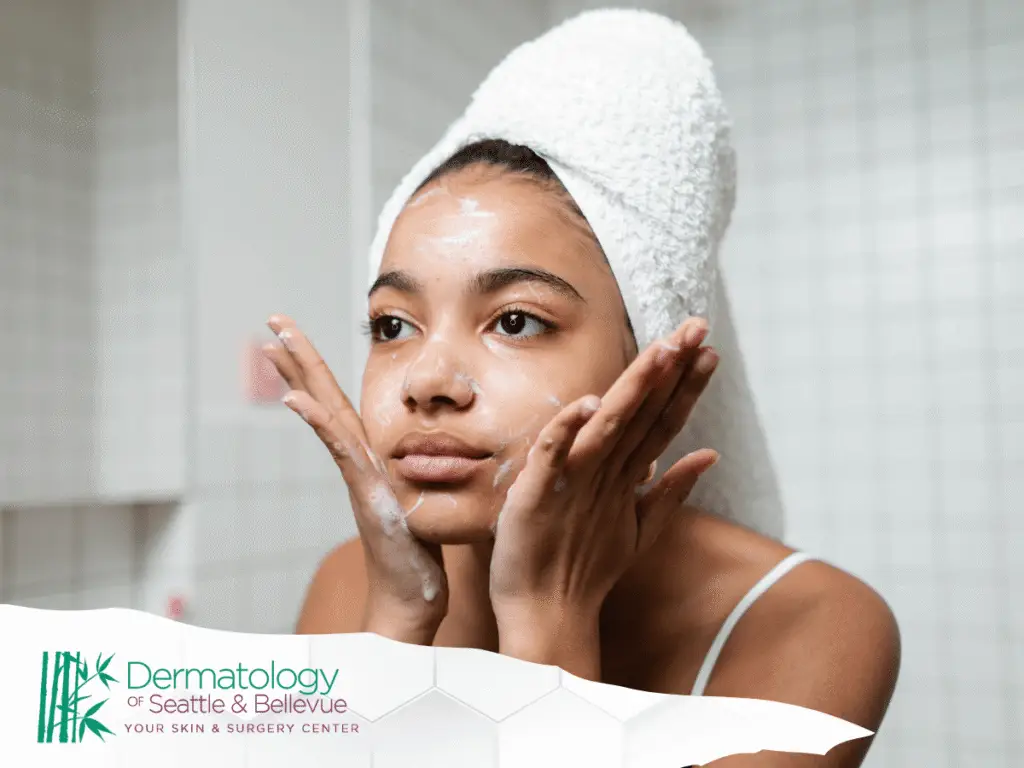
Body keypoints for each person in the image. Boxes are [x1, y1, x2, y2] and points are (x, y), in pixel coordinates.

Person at [263, 11, 900, 767]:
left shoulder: (808, 622)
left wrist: (548, 622)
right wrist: (395, 628)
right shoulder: (352, 585)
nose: (427, 382)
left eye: (516, 320)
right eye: (394, 326)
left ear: (654, 361)